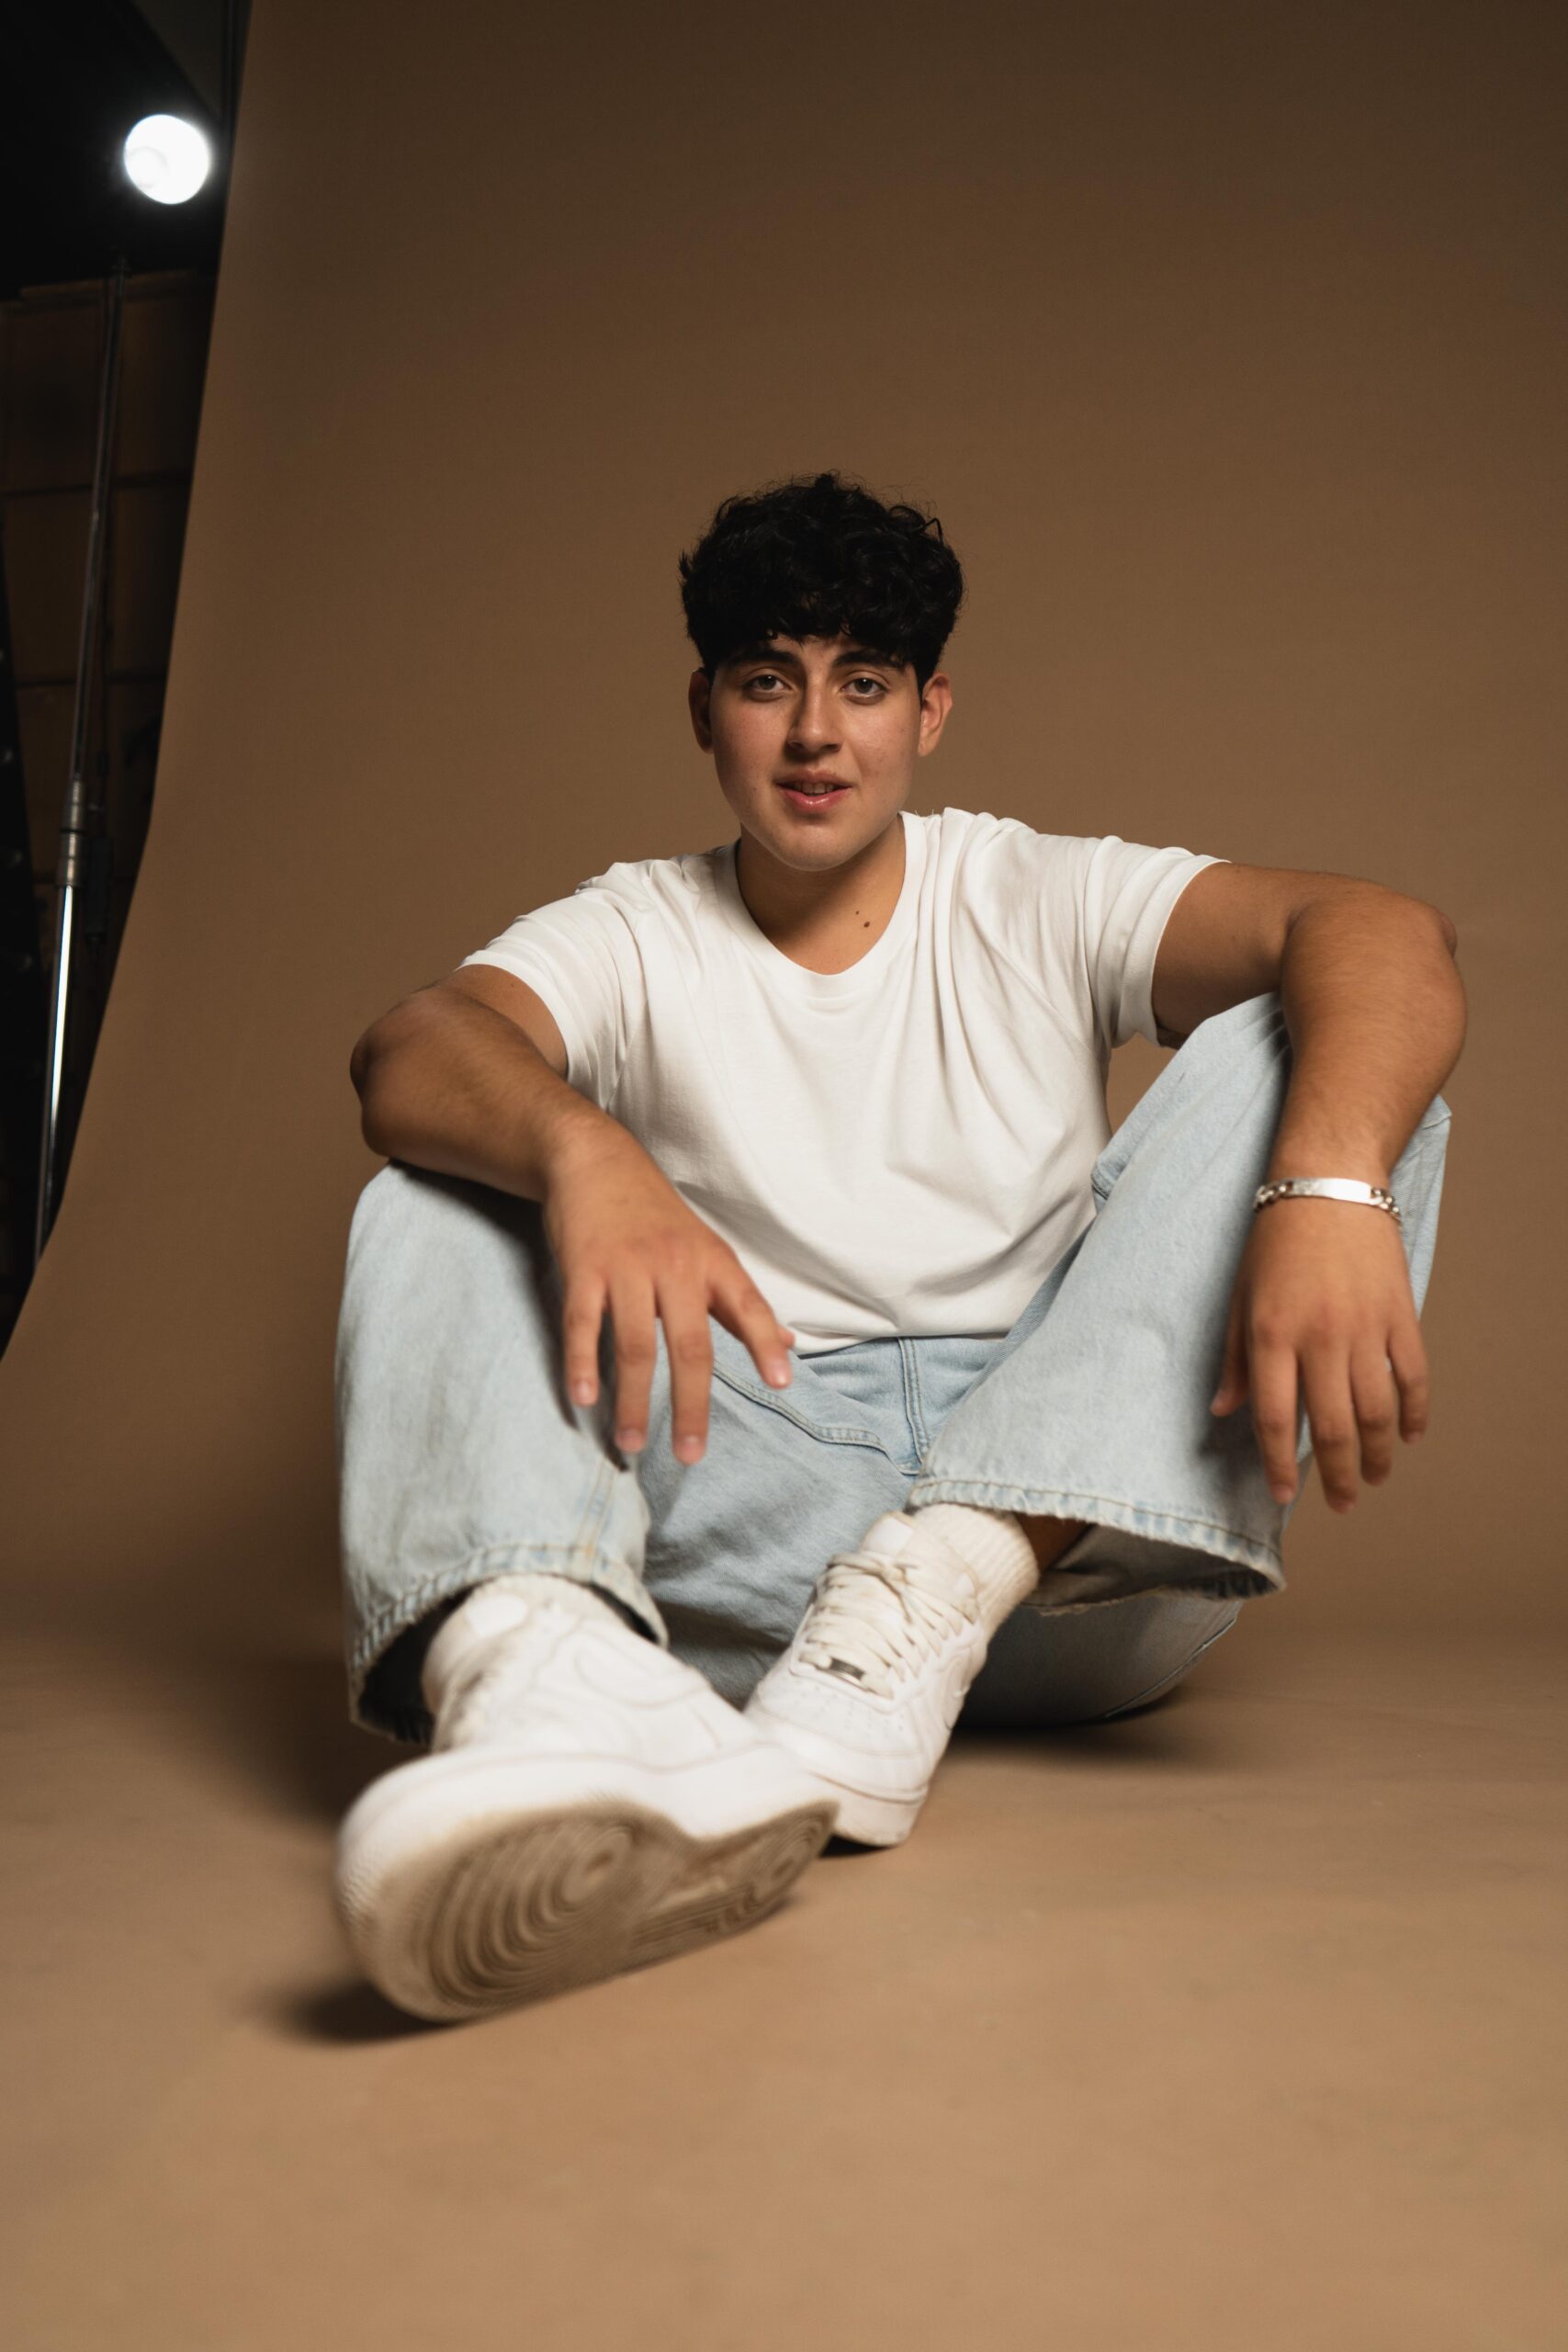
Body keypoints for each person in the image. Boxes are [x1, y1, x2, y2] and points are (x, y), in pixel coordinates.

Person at [330, 469, 1463, 2024]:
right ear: (705, 710)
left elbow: (1385, 931)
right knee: (437, 1179)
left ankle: (934, 1585)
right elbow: (410, 1049)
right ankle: (553, 1691)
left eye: (861, 683)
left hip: (1070, 1556)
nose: (815, 734)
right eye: (766, 682)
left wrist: (1327, 1190)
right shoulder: (637, 928)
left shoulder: (1032, 890)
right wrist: (586, 1150)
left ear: (928, 712)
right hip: (758, 1557)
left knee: (1321, 1041)